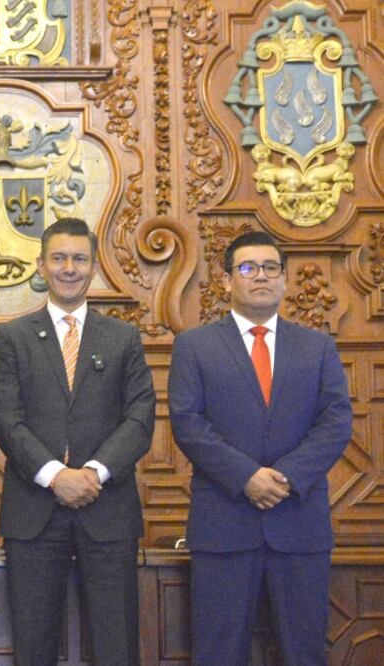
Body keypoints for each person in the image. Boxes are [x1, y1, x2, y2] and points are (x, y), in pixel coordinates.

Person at [169, 231, 351, 665]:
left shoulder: (318, 346)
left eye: (271, 268)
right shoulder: (195, 346)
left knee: (304, 652)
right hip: (224, 525)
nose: (261, 277)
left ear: (285, 280)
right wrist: (246, 478)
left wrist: (285, 478)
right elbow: (188, 423)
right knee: (218, 652)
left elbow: (335, 422)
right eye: (248, 268)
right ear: (228, 280)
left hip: (299, 524)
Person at [0, 217, 156, 665]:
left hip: (108, 509)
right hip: (34, 511)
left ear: (94, 267)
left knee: (115, 644)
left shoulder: (123, 337)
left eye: (79, 258)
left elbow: (140, 419)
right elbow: (6, 418)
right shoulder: (13, 338)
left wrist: (92, 474)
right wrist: (55, 476)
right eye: (59, 258)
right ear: (41, 265)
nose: (69, 267)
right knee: (34, 643)